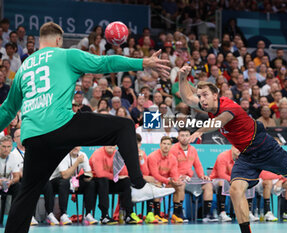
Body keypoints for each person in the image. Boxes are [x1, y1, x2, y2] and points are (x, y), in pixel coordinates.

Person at [0, 22, 173, 233]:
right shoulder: (65, 55)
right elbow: (104, 63)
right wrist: (143, 62)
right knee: (125, 126)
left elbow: (8, 110)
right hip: (61, 125)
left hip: (34, 136)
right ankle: (138, 185)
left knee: (26, 195)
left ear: (39, 41)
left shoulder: (23, 68)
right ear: (58, 41)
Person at [178, 65, 287, 233]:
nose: (202, 99)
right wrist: (182, 78)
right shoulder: (209, 105)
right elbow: (188, 98)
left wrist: (199, 131)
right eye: (200, 96)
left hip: (265, 148)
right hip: (247, 155)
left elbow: (218, 123)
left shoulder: (229, 107)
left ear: (216, 95)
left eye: (205, 95)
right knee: (235, 190)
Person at [170, 128, 218, 222]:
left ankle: (207, 215)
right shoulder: (173, 149)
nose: (184, 138)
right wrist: (179, 176)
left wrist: (202, 176)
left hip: (190, 179)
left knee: (208, 185)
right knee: (181, 184)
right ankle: (178, 213)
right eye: (182, 136)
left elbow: (198, 165)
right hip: (177, 178)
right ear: (178, 137)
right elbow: (171, 167)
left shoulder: (193, 149)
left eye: (187, 135)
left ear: (190, 137)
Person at [49, 146, 97, 225]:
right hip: (56, 181)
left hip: (73, 180)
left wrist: (87, 178)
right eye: (73, 145)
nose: (76, 147)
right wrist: (77, 162)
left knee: (90, 184)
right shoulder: (63, 155)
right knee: (65, 182)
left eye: (77, 146)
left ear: (80, 147)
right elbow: (64, 175)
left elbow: (89, 173)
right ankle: (63, 214)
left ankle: (88, 214)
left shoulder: (83, 155)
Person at [147, 136, 185, 224]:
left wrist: (176, 180)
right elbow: (155, 174)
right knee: (158, 184)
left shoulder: (173, 158)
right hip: (152, 180)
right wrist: (168, 181)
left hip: (165, 181)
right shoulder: (153, 156)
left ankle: (176, 215)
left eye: (168, 144)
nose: (166, 146)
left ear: (171, 146)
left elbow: (174, 173)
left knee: (179, 186)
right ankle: (157, 214)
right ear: (160, 145)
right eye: (164, 144)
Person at [209, 146, 236, 222]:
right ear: (232, 147)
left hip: (232, 180)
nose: (238, 149)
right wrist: (235, 180)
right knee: (223, 182)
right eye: (236, 147)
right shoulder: (223, 156)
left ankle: (249, 212)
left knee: (247, 182)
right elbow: (221, 174)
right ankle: (222, 212)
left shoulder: (243, 157)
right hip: (216, 180)